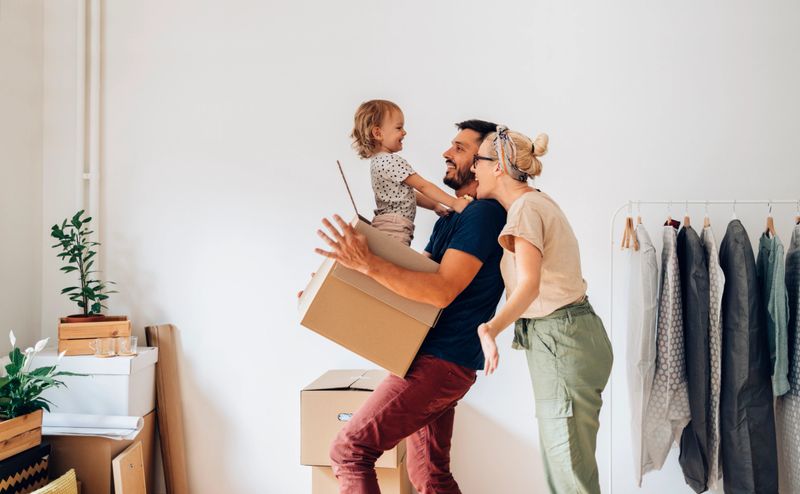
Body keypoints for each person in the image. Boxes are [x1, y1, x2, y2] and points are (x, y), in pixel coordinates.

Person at [315, 119, 505, 494]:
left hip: (440, 361)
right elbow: (410, 283)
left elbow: (441, 292)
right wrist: (333, 285)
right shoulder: (453, 217)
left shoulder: (485, 214)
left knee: (350, 451)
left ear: (484, 163)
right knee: (429, 476)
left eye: (460, 148)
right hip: (435, 359)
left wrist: (367, 263)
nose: (446, 153)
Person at [471, 126, 613, 494]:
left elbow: (529, 284)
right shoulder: (536, 203)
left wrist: (491, 328)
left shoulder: (525, 210)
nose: (473, 168)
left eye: (478, 161)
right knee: (569, 469)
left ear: (498, 166)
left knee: (569, 476)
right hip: (569, 337)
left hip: (561, 341)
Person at [351, 100, 472, 245]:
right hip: (395, 228)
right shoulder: (391, 161)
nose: (404, 132)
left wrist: (434, 206)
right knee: (396, 258)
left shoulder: (377, 162)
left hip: (386, 225)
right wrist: (454, 202)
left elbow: (407, 194)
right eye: (398, 127)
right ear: (378, 133)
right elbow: (423, 186)